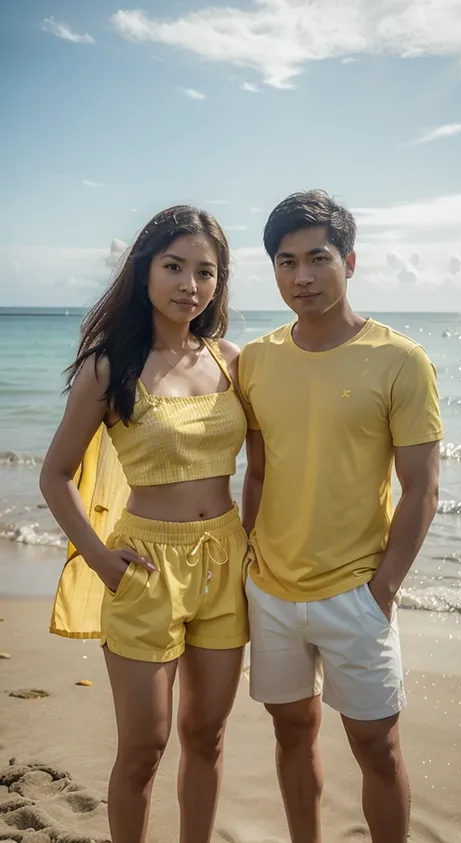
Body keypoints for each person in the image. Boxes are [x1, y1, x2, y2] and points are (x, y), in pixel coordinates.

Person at [40, 205, 250, 843]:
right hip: (145, 566)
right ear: (145, 270)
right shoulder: (110, 367)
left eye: (205, 272)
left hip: (225, 560)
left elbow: (273, 463)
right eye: (175, 266)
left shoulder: (232, 360)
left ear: (219, 282)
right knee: (145, 745)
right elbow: (54, 476)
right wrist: (102, 560)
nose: (190, 283)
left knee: (207, 737)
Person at [239, 190, 443, 843]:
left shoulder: (400, 359)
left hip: (357, 592)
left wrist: (381, 590)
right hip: (269, 590)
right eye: (286, 260)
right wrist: (248, 562)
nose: (301, 276)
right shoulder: (255, 360)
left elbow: (422, 490)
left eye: (318, 258)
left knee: (376, 745)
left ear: (350, 260)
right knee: (292, 733)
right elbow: (260, 471)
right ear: (273, 268)